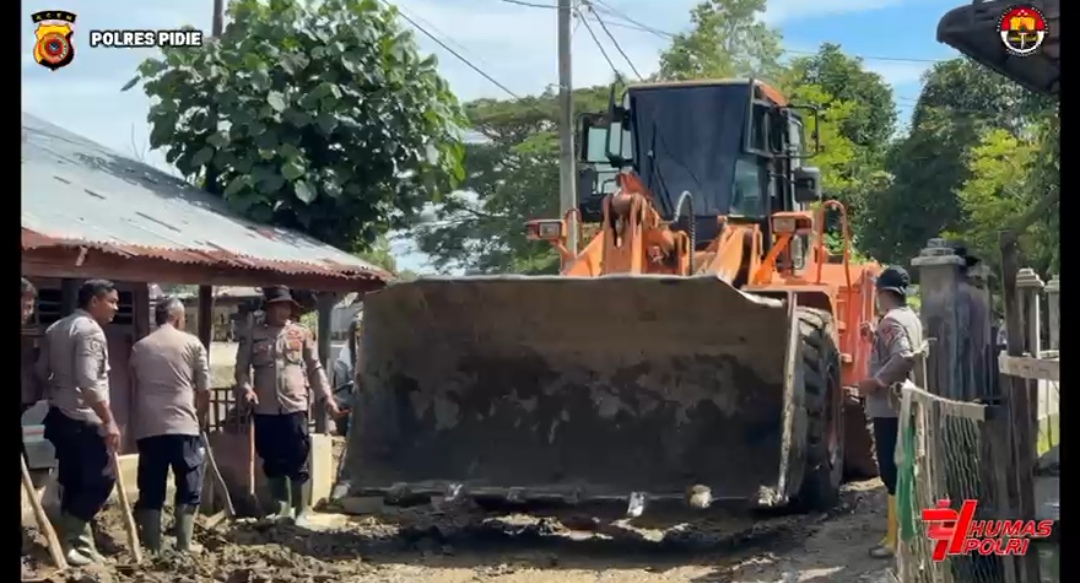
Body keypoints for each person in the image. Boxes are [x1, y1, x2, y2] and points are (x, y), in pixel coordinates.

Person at [234, 286, 339, 525]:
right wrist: (246, 388)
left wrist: (327, 397)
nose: (284, 311)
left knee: (298, 456)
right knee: (271, 458)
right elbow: (241, 369)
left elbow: (315, 368)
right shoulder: (253, 335)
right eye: (279, 306)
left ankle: (301, 510)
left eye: (287, 307)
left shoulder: (301, 333)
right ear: (269, 309)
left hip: (294, 405)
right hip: (265, 407)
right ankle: (281, 508)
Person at [35, 279, 121, 566]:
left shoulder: (56, 328)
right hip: (84, 418)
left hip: (59, 416)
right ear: (94, 301)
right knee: (102, 479)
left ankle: (78, 547)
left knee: (74, 480)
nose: (116, 308)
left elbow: (41, 371)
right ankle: (70, 536)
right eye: (112, 301)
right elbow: (89, 382)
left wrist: (58, 392)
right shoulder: (90, 331)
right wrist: (109, 420)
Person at [129, 297, 211, 554]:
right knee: (189, 482)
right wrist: (200, 417)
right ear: (177, 319)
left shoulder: (140, 347)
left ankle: (153, 546)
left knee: (151, 485)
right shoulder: (192, 343)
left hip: (149, 426)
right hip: (183, 423)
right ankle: (184, 544)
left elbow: (134, 386)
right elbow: (204, 389)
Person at [855, 266, 923, 559]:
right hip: (906, 405)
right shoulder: (910, 318)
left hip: (889, 408)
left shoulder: (891, 320)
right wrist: (875, 338)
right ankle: (903, 534)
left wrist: (877, 381)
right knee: (904, 470)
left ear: (882, 292)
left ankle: (896, 540)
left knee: (892, 473)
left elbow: (903, 355)